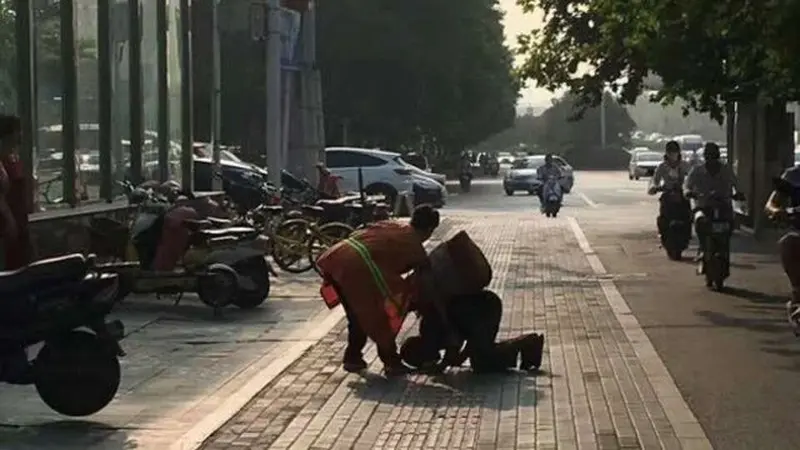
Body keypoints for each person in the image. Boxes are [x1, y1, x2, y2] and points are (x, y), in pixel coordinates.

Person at [315, 205, 441, 376]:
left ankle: (353, 358)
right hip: (357, 269)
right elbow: (425, 279)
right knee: (379, 315)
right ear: (429, 229)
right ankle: (390, 361)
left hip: (339, 256)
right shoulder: (414, 246)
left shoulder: (395, 225)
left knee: (357, 315)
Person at [400, 289, 544, 373]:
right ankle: (526, 349)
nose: (426, 362)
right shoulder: (429, 331)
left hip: (483, 310)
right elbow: (459, 333)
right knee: (480, 356)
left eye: (420, 361)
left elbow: (455, 339)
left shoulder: (429, 330)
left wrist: (446, 363)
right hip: (480, 311)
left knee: (482, 361)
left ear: (420, 352)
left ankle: (527, 342)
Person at [683, 142, 744, 261]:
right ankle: (702, 248)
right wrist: (688, 193)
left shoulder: (726, 170)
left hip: (724, 206)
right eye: (709, 156)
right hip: (703, 206)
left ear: (718, 157)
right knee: (699, 221)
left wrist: (739, 194)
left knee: (730, 222)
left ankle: (724, 248)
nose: (711, 160)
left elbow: (737, 185)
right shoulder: (697, 171)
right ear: (705, 157)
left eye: (714, 156)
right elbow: (687, 185)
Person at [765, 164, 800, 331]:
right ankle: (797, 292)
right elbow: (771, 204)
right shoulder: (793, 175)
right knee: (788, 243)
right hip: (798, 231)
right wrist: (777, 211)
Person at [0, 115, 32, 270]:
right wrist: (9, 220)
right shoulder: (4, 162)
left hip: (18, 220)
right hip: (8, 224)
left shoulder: (13, 158)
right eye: (17, 131)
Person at [648, 141, 691, 242]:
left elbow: (692, 177)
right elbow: (655, 180)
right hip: (667, 194)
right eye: (670, 152)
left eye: (674, 151)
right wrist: (654, 187)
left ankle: (687, 233)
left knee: (688, 215)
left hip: (682, 194)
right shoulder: (662, 167)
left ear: (678, 152)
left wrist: (690, 187)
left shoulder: (684, 165)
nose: (672, 154)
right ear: (666, 153)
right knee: (663, 215)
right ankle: (663, 233)